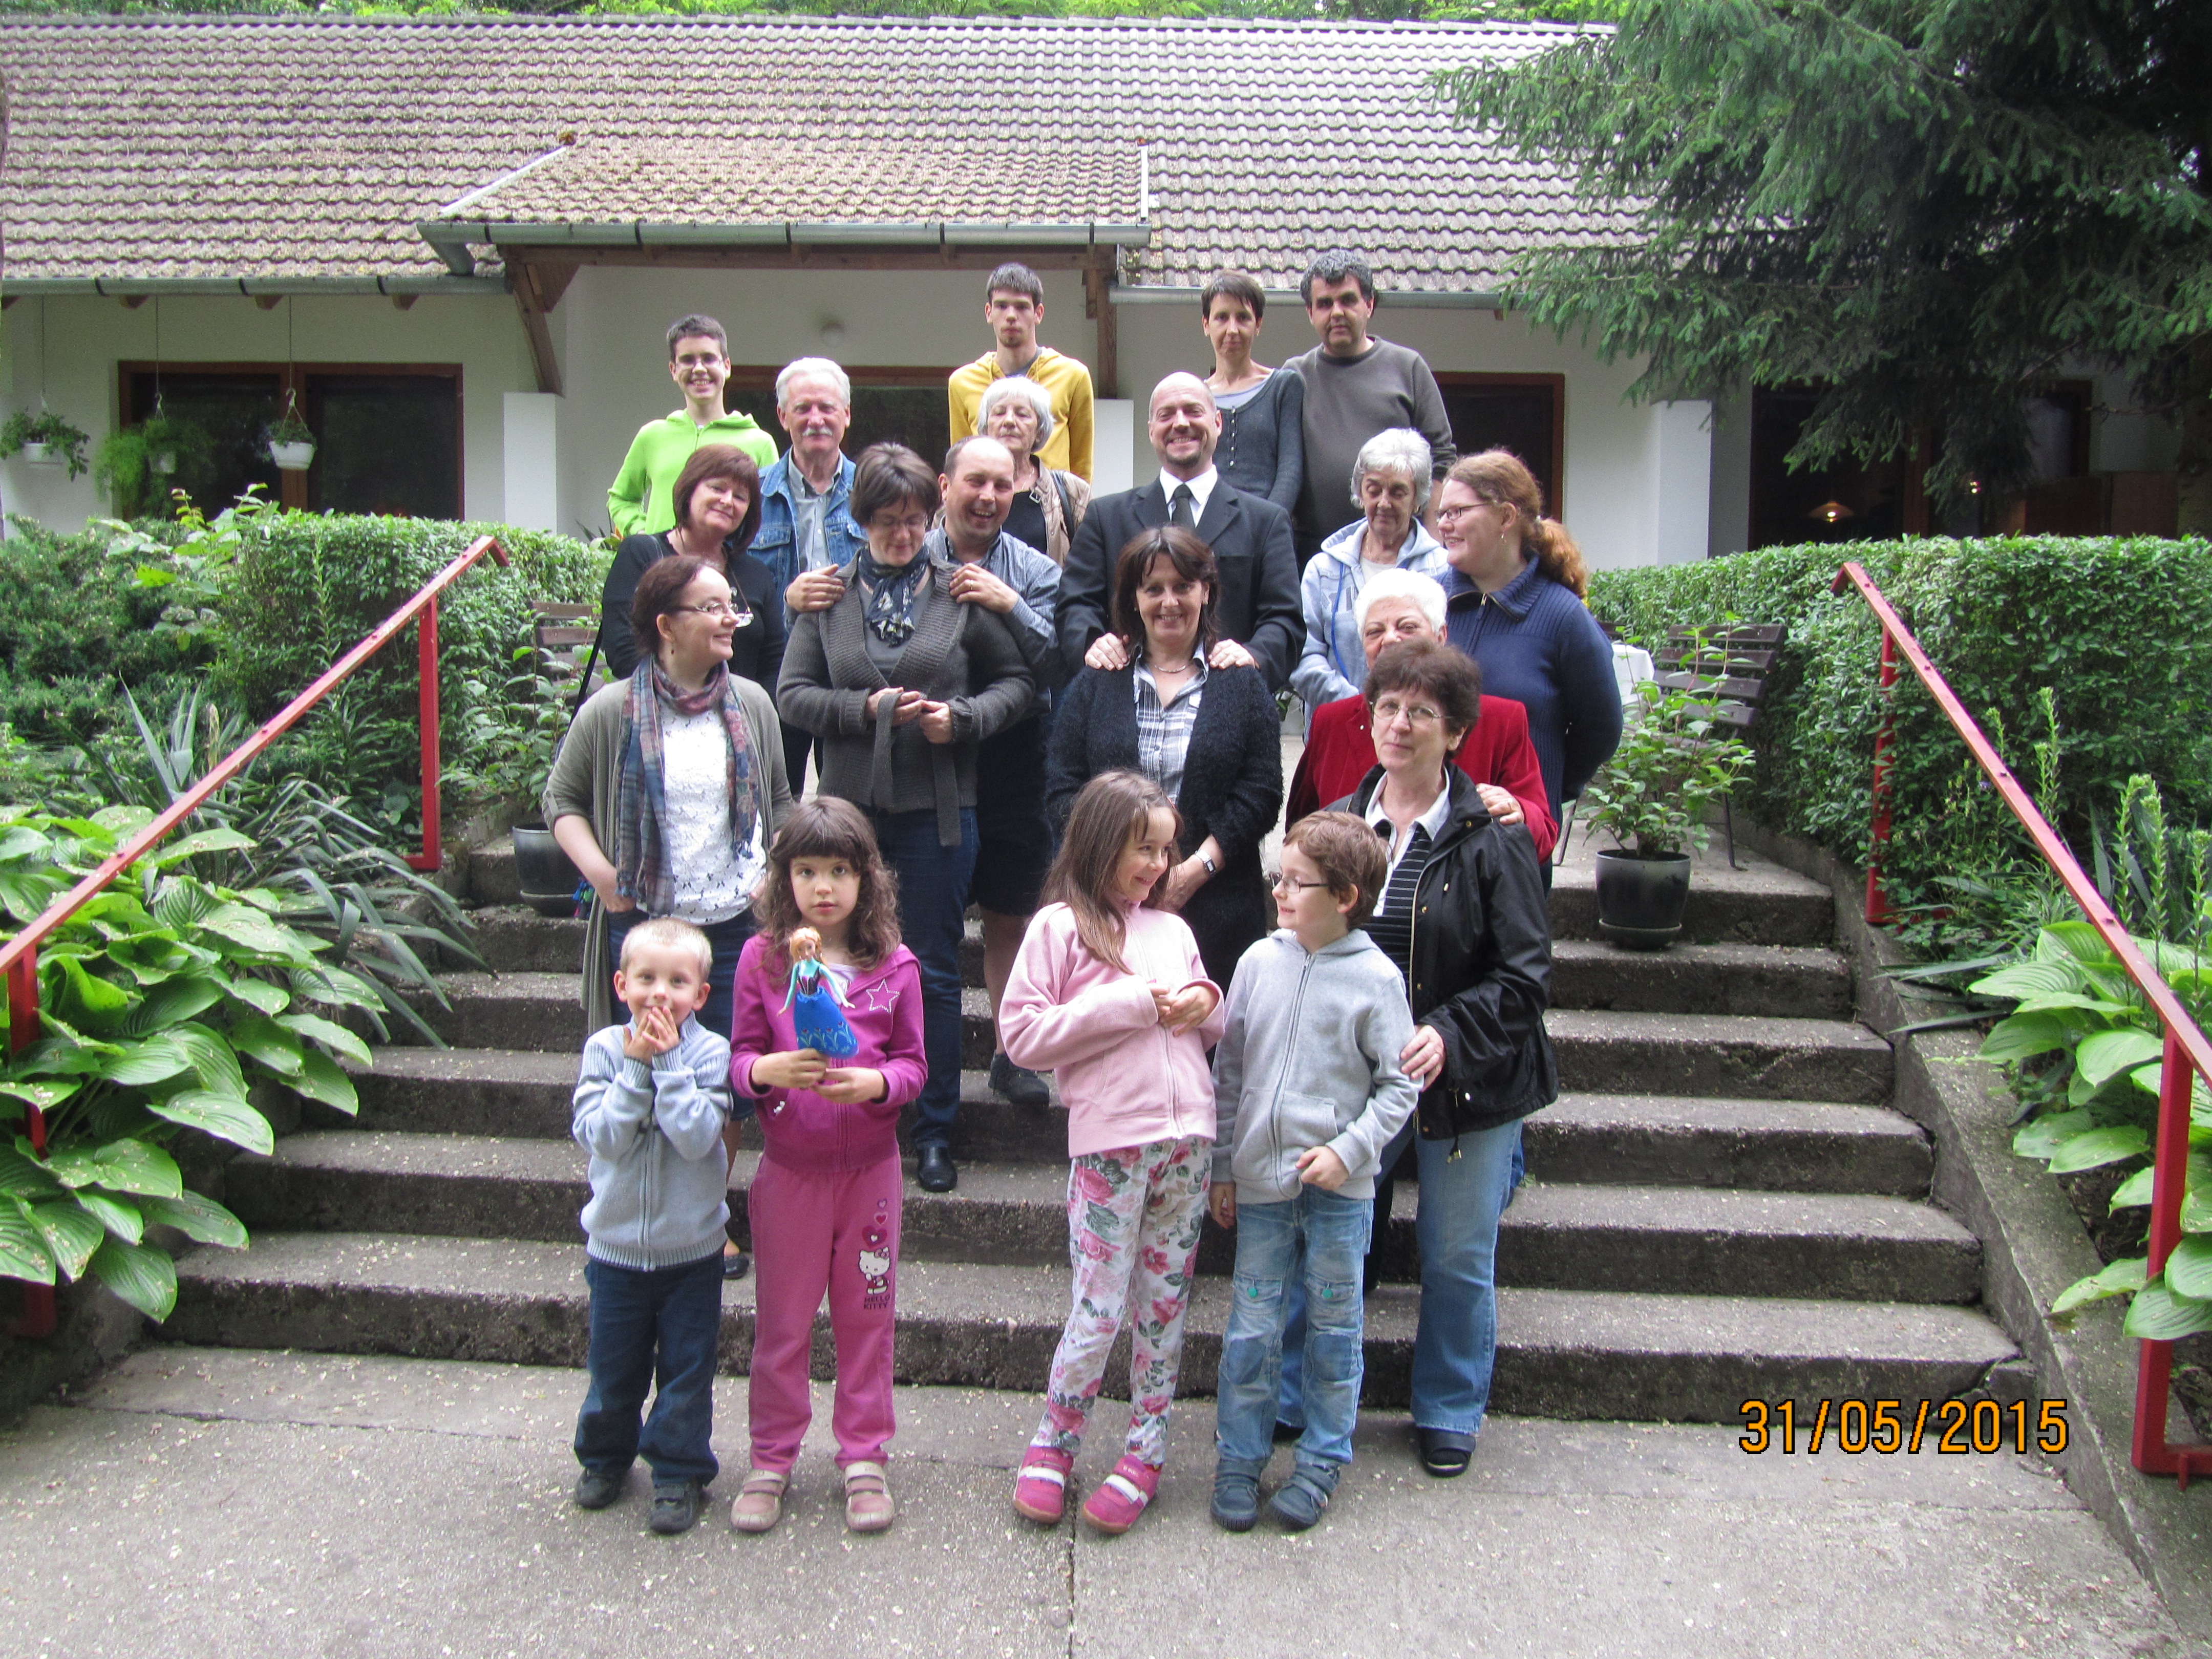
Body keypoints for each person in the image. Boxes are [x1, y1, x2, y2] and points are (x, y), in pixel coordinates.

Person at [1295, 637, 1556, 1480]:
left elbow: (1525, 977)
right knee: (1331, 1243)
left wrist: (1446, 1031)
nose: (1399, 725)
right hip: (1358, 1080)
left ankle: (1448, 1406)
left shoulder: (1493, 838)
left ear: (1458, 733)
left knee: (1455, 1255)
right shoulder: (1336, 831)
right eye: (1387, 708)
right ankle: (1307, 1395)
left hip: (1468, 1084)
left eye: (1421, 713)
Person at [776, 443, 1034, 1196]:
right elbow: (792, 693)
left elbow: (1018, 682)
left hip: (938, 817)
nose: (902, 534)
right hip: (845, 822)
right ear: (860, 521)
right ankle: (850, 1114)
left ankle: (934, 1129)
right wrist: (862, 710)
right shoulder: (828, 597)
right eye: (887, 521)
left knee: (933, 971)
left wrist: (964, 719)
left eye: (915, 520)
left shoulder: (958, 593)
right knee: (842, 966)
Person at [999, 770, 1225, 1536]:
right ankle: (1055, 1442)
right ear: (1100, 842)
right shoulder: (1059, 928)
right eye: (1143, 849)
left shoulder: (1174, 932)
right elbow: (1022, 1035)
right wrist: (1126, 1005)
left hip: (1187, 1145)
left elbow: (1209, 1020)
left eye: (1165, 851)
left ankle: (1145, 1451)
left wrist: (1204, 1003)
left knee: (1163, 1308)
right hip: (1110, 1150)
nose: (1158, 866)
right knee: (1098, 1306)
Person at [1207, 813, 1416, 1534]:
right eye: (1280, 877)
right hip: (1261, 1187)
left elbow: (1400, 1086)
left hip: (1340, 1197)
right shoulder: (1257, 963)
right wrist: (1223, 1166)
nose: (1279, 892)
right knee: (1252, 1328)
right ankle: (1240, 1457)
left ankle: (1323, 1459)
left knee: (1334, 1329)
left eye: (1297, 883)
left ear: (1346, 897)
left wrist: (1349, 1152)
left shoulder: (1378, 980)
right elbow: (1230, 1071)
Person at [726, 799, 926, 1538]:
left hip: (871, 1175)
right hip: (790, 1173)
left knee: (867, 1319)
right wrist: (767, 1072)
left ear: (866, 878)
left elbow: (915, 1067)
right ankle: (771, 1458)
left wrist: (877, 1084)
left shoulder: (895, 966)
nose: (823, 887)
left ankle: (864, 1456)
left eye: (839, 870)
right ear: (784, 879)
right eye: (806, 871)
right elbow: (738, 1059)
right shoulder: (764, 960)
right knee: (782, 1324)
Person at [546, 554, 794, 1048]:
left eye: (733, 606)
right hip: (645, 933)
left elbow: (781, 803)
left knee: (731, 1075)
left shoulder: (753, 704)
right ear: (666, 626)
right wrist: (603, 877)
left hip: (736, 927)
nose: (730, 619)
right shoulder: (610, 710)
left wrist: (774, 875)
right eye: (712, 608)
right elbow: (561, 800)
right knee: (644, 1068)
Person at [1047, 526, 1284, 988]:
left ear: (1206, 592)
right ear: (1134, 599)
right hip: (1105, 912)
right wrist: (1121, 867)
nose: (1169, 602)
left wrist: (1194, 870)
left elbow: (1261, 794)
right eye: (1153, 589)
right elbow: (1062, 788)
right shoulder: (1098, 680)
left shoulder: (1241, 681)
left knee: (1209, 1028)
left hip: (1218, 910)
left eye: (1182, 586)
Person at [569, 915, 734, 1538]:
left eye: (677, 982)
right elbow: (604, 1139)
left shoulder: (711, 1053)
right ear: (621, 984)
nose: (660, 994)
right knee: (613, 1366)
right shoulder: (604, 1050)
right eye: (646, 979)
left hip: (690, 1250)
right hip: (616, 1250)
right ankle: (604, 1457)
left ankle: (678, 1470)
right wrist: (636, 1068)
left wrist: (667, 1065)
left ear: (701, 994)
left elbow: (697, 1138)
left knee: (687, 1371)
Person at [1057, 372, 1303, 694]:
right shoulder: (1106, 518)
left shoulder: (1266, 522)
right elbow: (1074, 605)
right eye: (1167, 415)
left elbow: (1285, 620)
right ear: (1151, 431)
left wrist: (1254, 656)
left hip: (1231, 700)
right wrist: (1094, 644)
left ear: (1218, 423)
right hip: (1127, 702)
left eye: (1193, 411)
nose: (1181, 423)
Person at [1287, 568, 1555, 858]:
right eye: (1375, 632)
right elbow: (1301, 830)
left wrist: (1517, 811)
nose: (1390, 639)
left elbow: (1542, 834)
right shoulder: (1332, 722)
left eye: (1407, 627)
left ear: (1441, 637)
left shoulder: (1500, 720)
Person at [1434, 449, 1623, 831]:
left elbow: (1601, 727)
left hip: (1516, 834)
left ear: (1506, 516)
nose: (1444, 525)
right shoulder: (1431, 601)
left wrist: (1546, 786)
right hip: (1431, 828)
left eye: (1457, 512)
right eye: (1441, 514)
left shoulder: (1563, 617)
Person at [1288, 251, 1455, 564]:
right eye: (1324, 304)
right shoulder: (1294, 377)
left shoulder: (1408, 368)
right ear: (1310, 312)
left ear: (1369, 304)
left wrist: (1432, 545)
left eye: (1348, 300)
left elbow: (1442, 459)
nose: (1337, 312)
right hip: (1316, 556)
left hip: (1399, 553)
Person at [753, 357, 866, 786]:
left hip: (854, 674)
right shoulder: (750, 494)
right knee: (774, 798)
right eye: (802, 408)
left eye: (827, 407)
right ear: (783, 416)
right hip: (779, 672)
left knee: (848, 803)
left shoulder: (875, 489)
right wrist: (787, 598)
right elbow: (734, 583)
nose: (815, 419)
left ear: (846, 415)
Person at [1290, 427, 1453, 716]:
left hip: (1417, 727)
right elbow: (1303, 655)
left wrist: (1394, 710)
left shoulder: (1442, 568)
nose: (1384, 503)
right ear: (1360, 494)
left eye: (1398, 492)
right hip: (1339, 725)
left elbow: (1451, 654)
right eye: (1374, 490)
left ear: (1418, 499)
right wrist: (1360, 707)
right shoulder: (1324, 569)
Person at [598, 445, 782, 690]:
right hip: (656, 705)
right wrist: (687, 701)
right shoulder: (642, 555)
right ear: (690, 491)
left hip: (744, 710)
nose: (727, 501)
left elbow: (774, 661)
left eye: (740, 497)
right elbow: (623, 648)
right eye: (717, 488)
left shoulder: (755, 573)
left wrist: (753, 707)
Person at [607, 314, 780, 537]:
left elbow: (771, 516)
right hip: (663, 558)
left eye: (709, 359)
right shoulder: (652, 436)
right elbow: (621, 499)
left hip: (726, 559)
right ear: (674, 370)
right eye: (688, 360)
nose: (699, 369)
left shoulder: (759, 443)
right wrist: (642, 534)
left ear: (727, 366)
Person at [947, 263, 1095, 481]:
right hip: (988, 499)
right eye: (1001, 306)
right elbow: (961, 464)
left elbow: (1082, 469)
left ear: (1038, 313)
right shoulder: (962, 382)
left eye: (1022, 307)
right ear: (989, 312)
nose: (1011, 316)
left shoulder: (1073, 376)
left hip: (1050, 499)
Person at [1200, 269, 1303, 515]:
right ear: (1206, 325)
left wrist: (1268, 526)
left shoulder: (1284, 386)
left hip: (1268, 526)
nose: (1232, 330)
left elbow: (1290, 470)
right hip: (1207, 526)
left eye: (1243, 318)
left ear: (1258, 325)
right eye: (1222, 317)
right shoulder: (1196, 398)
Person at [974, 375, 1092, 564]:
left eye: (1022, 414)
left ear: (1039, 432)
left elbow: (1091, 566)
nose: (1009, 421)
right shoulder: (963, 487)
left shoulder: (1072, 492)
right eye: (999, 413)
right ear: (986, 428)